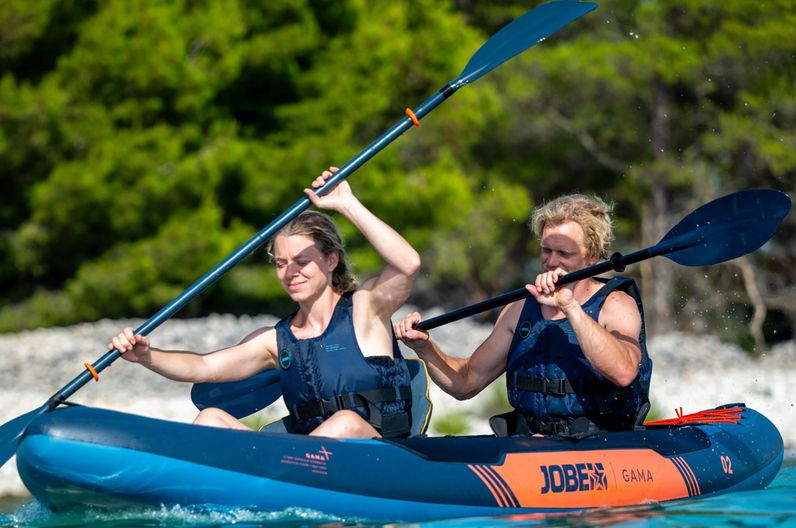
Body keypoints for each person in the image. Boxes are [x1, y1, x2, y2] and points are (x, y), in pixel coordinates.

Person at [110, 167, 420, 439]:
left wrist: (347, 204)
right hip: (305, 459)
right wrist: (146, 356)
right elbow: (203, 367)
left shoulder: (366, 309)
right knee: (210, 419)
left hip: (380, 451)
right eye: (281, 263)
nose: (290, 272)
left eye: (302, 261)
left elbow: (408, 264)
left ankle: (281, 474)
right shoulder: (276, 340)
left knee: (344, 422)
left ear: (331, 260)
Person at [394, 194, 652, 437]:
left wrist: (569, 306)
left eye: (565, 253)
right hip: (529, 444)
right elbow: (465, 383)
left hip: (599, 447)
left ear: (593, 257)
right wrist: (425, 347)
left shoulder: (616, 305)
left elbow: (624, 372)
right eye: (546, 250)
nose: (551, 262)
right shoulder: (519, 310)